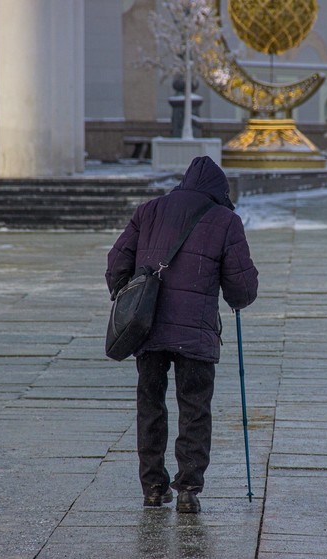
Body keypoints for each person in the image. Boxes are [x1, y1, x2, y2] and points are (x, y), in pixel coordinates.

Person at [105, 156, 258, 513]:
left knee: (150, 405)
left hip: (148, 327)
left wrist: (127, 294)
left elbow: (116, 264)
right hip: (197, 333)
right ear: (219, 191)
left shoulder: (149, 211)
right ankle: (188, 489)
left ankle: (154, 487)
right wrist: (239, 298)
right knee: (194, 407)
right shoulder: (226, 221)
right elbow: (242, 287)